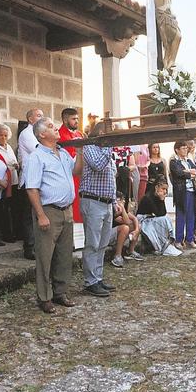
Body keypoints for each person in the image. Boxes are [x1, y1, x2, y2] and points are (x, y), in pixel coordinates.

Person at [25, 117, 82, 313]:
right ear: (42, 135)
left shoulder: (63, 153)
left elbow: (76, 171)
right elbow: (32, 189)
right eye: (51, 126)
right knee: (45, 256)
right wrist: (41, 215)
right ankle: (44, 297)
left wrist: (80, 151)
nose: (56, 128)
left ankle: (60, 292)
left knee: (64, 254)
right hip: (48, 210)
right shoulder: (37, 157)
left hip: (66, 210)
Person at [79, 121, 120, 297]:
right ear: (101, 133)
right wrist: (109, 145)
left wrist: (114, 200)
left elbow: (111, 177)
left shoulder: (106, 152)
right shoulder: (90, 147)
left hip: (106, 202)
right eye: (109, 134)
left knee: (102, 244)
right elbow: (97, 165)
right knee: (92, 243)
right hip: (92, 201)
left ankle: (98, 277)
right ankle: (90, 281)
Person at [18, 108, 44, 260]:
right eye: (38, 115)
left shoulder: (36, 133)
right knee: (29, 215)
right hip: (29, 180)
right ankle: (29, 247)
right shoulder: (27, 133)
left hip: (39, 179)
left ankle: (37, 245)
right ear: (30, 119)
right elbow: (39, 150)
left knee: (37, 213)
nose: (41, 118)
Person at [137, 177, 181, 256]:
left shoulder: (157, 197)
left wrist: (162, 200)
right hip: (143, 220)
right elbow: (158, 213)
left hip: (152, 219)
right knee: (164, 219)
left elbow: (163, 212)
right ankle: (159, 245)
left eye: (166, 189)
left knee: (166, 218)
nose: (164, 191)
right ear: (156, 187)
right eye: (163, 189)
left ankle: (166, 242)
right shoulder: (148, 198)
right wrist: (161, 199)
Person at [170, 141, 196, 250]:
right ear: (177, 150)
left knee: (191, 215)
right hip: (181, 192)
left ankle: (190, 239)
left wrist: (188, 171)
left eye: (186, 148)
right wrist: (190, 173)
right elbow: (178, 173)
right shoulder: (174, 162)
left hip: (192, 191)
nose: (185, 150)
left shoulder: (188, 161)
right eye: (183, 148)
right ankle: (178, 240)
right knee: (181, 215)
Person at [0, 124, 21, 243]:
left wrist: (16, 165)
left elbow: (13, 161)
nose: (3, 138)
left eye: (5, 135)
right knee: (3, 210)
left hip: (13, 180)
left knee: (14, 209)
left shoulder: (9, 147)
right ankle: (5, 234)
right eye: (1, 135)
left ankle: (14, 232)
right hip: (2, 181)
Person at [58, 107, 83, 223]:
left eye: (77, 118)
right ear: (65, 120)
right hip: (68, 174)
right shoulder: (60, 135)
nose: (76, 121)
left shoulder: (79, 134)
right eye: (73, 119)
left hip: (81, 174)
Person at [110, 192, 143, 268]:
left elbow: (134, 218)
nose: (124, 201)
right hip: (108, 236)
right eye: (122, 200)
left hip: (117, 235)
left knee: (137, 225)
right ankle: (117, 255)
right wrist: (122, 208)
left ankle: (131, 251)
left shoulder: (122, 210)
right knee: (125, 227)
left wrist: (136, 230)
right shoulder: (114, 210)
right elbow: (127, 221)